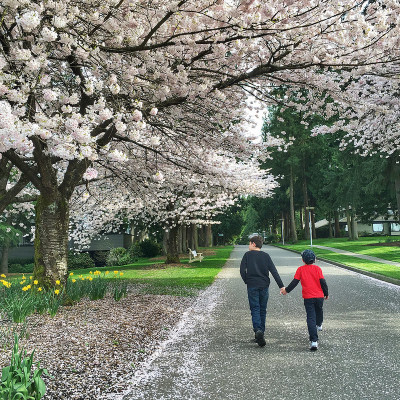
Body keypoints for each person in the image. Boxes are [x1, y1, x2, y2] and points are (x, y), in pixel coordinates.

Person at [240, 235, 284, 347]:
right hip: (264, 286)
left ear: (253, 244)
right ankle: (261, 333)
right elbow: (274, 271)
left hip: (252, 286)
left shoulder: (247, 255)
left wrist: (247, 281)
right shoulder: (266, 256)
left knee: (255, 308)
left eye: (249, 243)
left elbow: (241, 270)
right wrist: (281, 286)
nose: (248, 246)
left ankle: (257, 330)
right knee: (262, 309)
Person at [280, 249, 329, 351]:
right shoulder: (317, 269)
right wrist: (326, 293)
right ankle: (319, 324)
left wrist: (286, 290)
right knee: (319, 310)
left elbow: (294, 282)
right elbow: (323, 282)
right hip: (319, 296)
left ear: (303, 260)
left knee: (311, 317)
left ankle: (314, 341)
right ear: (314, 259)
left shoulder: (300, 270)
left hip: (308, 298)